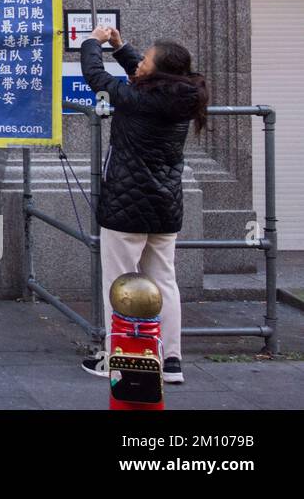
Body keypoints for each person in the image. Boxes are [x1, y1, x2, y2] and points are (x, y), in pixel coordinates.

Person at [79, 24, 209, 385]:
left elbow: (96, 77)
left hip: (126, 206)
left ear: (158, 70)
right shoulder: (181, 95)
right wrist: (121, 47)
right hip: (166, 206)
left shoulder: (140, 99)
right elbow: (141, 72)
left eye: (147, 59)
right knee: (164, 280)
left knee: (119, 283)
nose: (141, 62)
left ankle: (117, 360)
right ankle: (171, 361)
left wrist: (92, 41)